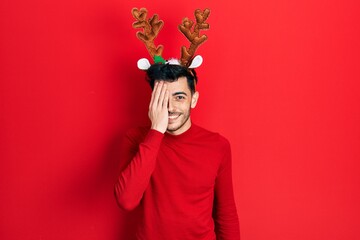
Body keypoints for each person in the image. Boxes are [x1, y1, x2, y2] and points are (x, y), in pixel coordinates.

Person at [114, 63, 240, 240]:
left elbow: (226, 213)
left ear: (193, 99)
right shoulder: (135, 138)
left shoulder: (218, 145)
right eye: (162, 98)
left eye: (179, 97)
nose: (170, 107)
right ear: (153, 100)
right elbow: (126, 200)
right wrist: (156, 130)